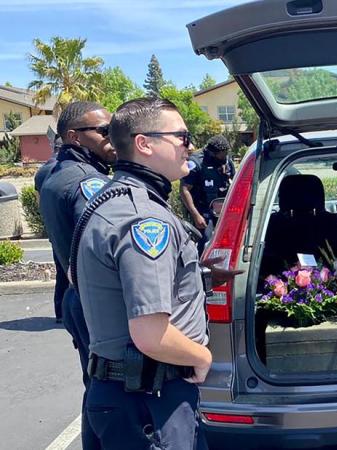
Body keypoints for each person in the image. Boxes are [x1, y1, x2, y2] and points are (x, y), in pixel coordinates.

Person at [73, 98, 239, 449]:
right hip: (150, 402)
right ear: (144, 143)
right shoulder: (144, 219)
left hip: (126, 395)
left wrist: (199, 277)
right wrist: (202, 357)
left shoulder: (108, 200)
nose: (189, 146)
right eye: (181, 136)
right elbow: (151, 333)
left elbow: (93, 281)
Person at [39, 101, 115, 450]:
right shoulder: (89, 183)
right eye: (102, 131)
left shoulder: (54, 172)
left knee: (95, 384)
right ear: (73, 136)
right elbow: (103, 246)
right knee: (110, 392)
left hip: (76, 298)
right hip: (95, 303)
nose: (110, 138)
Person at [180, 134, 235, 254]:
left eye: (226, 153)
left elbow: (234, 182)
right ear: (212, 153)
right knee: (206, 240)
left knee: (229, 241)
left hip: (223, 208)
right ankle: (202, 269)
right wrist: (195, 215)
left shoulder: (227, 161)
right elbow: (184, 190)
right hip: (203, 209)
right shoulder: (195, 162)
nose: (225, 157)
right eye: (222, 154)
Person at [34, 136, 67, 323]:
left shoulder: (41, 171)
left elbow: (40, 202)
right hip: (70, 227)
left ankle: (60, 312)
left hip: (53, 227)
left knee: (60, 269)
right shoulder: (64, 170)